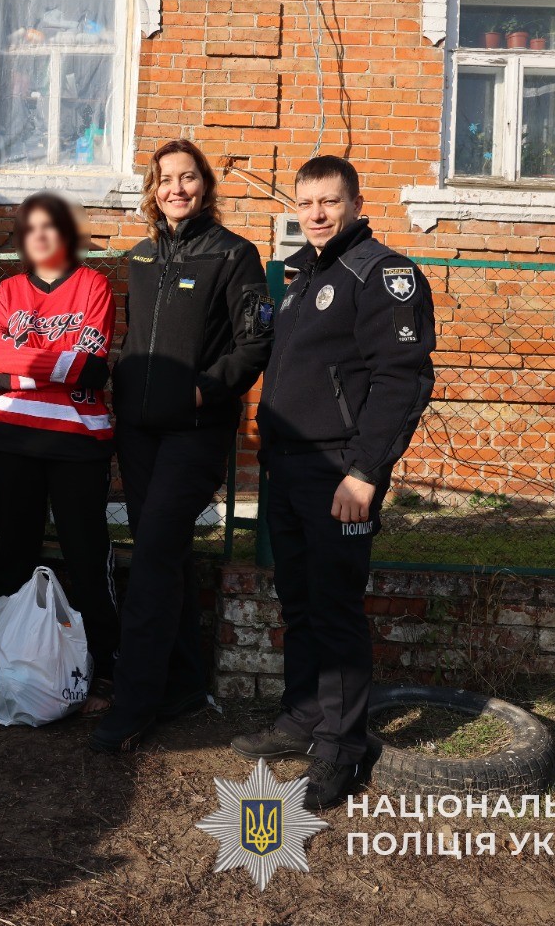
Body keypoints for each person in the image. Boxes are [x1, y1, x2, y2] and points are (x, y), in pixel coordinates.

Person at [231, 155, 435, 810]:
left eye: (330, 201)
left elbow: (402, 381)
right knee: (298, 601)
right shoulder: (303, 275)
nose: (316, 213)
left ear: (355, 204)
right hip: (289, 468)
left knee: (336, 608)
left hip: (340, 473)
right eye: (307, 202)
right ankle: (303, 716)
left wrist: (365, 473)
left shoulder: (382, 274)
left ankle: (340, 749)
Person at [90, 138, 275, 754]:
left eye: (188, 177)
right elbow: (136, 338)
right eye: (165, 178)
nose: (176, 188)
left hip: (195, 432)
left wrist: (203, 391)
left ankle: (133, 704)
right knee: (162, 554)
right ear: (153, 189)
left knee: (151, 557)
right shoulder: (141, 257)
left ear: (205, 186)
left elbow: (255, 342)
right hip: (139, 432)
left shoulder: (234, 254)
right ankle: (186, 683)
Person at [0, 192, 119, 713]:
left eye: (50, 226)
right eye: (30, 228)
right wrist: (48, 366)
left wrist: (20, 373)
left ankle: (103, 664)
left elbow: (91, 366)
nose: (40, 236)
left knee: (86, 554)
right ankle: (13, 660)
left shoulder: (93, 285)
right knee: (14, 553)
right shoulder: (9, 290)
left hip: (78, 441)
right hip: (11, 438)